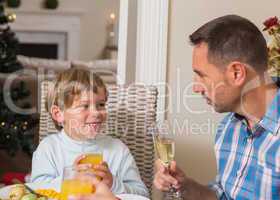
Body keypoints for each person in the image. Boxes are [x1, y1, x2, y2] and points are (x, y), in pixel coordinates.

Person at [154, 15, 280, 199]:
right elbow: (221, 195)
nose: (195, 88)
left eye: (201, 76)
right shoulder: (229, 127)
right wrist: (184, 186)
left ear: (237, 73)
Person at [30, 66, 148, 197]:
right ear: (58, 114)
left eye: (101, 105)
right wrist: (70, 179)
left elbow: (142, 194)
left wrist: (113, 183)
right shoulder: (49, 148)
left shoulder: (118, 150)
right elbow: (34, 189)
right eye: (85, 106)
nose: (96, 113)